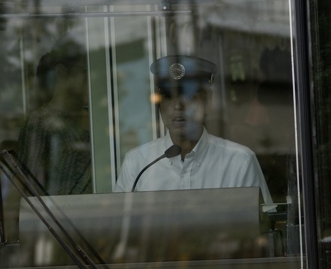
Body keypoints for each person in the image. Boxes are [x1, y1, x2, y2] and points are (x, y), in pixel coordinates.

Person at [113, 54, 272, 203]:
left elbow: (263, 227)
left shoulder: (239, 161)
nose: (177, 106)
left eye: (188, 96)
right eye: (168, 97)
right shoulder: (138, 163)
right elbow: (117, 227)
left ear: (207, 101)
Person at [17, 39, 93, 195]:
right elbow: (29, 185)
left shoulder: (92, 120)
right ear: (62, 72)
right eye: (84, 70)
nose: (90, 78)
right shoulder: (40, 123)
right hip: (57, 215)